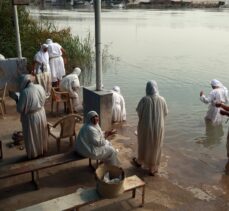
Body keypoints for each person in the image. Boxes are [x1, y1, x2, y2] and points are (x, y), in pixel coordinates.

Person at [132, 80, 168, 176]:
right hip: (159, 126)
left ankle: (140, 161)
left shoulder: (144, 99)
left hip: (146, 126)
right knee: (156, 145)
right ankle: (153, 168)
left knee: (144, 143)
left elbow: (139, 112)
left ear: (147, 88)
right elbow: (165, 113)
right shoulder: (162, 99)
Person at [17, 74, 48, 159]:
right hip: (41, 113)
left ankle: (34, 153)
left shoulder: (24, 92)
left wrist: (17, 100)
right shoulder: (39, 87)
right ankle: (42, 150)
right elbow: (44, 98)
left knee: (32, 136)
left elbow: (20, 109)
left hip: (31, 117)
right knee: (40, 132)